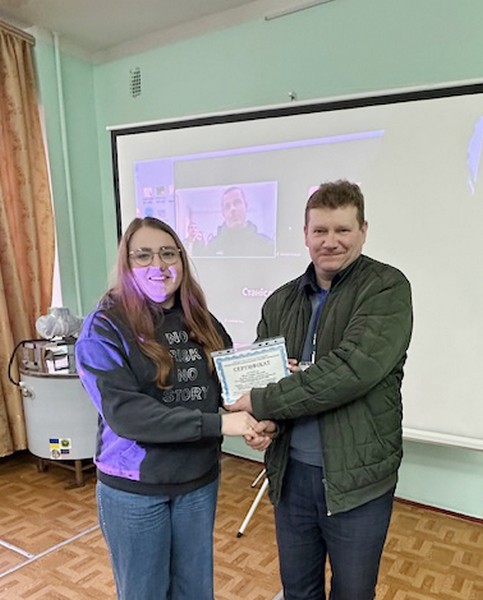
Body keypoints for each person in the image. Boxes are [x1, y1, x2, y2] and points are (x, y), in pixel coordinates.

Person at [227, 180, 413, 600]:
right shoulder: (280, 301)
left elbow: (350, 371)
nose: (331, 241)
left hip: (357, 481)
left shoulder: (387, 289)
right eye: (320, 231)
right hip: (291, 477)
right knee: (298, 591)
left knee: (353, 593)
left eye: (343, 230)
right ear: (306, 235)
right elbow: (264, 377)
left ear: (363, 231)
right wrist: (264, 420)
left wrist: (264, 399)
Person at [75, 216, 272, 600]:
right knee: (145, 593)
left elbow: (226, 388)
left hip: (198, 481)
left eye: (168, 253)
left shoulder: (202, 320)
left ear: (181, 260)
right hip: (135, 489)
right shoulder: (105, 327)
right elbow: (127, 414)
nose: (159, 265)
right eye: (143, 255)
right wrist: (222, 425)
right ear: (127, 263)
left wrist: (261, 410)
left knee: (195, 592)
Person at [205, 186, 275, 257]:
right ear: (223, 214)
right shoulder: (212, 247)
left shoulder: (266, 245)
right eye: (227, 206)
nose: (232, 209)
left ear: (246, 206)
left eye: (237, 203)